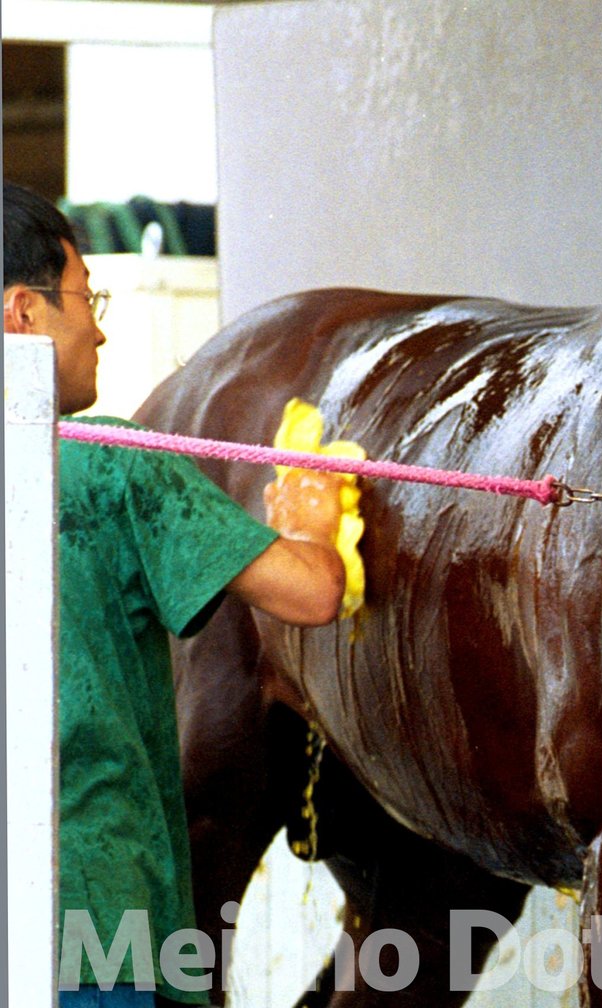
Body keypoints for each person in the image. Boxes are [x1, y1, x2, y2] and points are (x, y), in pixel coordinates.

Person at [4, 180, 347, 1007]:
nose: (98, 328)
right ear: (22, 312)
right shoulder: (111, 466)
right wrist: (312, 524)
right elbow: (310, 596)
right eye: (86, 298)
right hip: (94, 926)